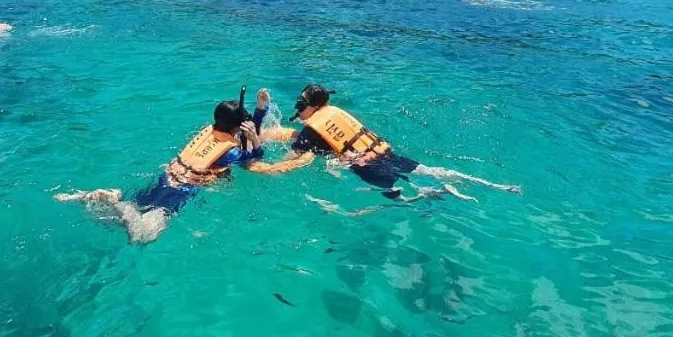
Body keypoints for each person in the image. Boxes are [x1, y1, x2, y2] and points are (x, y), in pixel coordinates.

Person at [56, 96, 307, 244]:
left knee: (122, 219)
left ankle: (115, 201)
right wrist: (255, 139)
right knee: (143, 237)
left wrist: (261, 109)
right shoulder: (230, 151)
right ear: (238, 127)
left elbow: (243, 131)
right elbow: (253, 159)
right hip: (180, 192)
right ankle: (117, 202)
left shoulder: (211, 132)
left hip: (165, 179)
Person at [255, 85, 520, 203]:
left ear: (313, 106)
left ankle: (438, 193)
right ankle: (494, 185)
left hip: (364, 165)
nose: (297, 107)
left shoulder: (312, 132)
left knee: (400, 196)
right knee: (429, 170)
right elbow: (287, 134)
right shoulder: (333, 114)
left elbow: (290, 160)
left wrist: (260, 166)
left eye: (301, 103)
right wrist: (261, 113)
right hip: (382, 151)